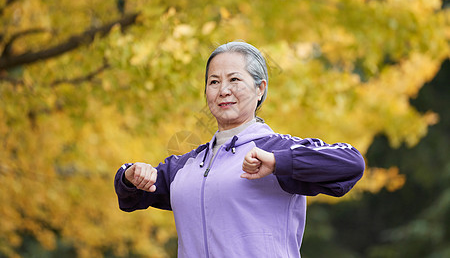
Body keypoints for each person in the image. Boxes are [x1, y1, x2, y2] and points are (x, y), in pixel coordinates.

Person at [114, 41, 365, 257]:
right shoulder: (186, 166)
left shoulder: (277, 149)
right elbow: (130, 195)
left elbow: (351, 163)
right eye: (214, 81)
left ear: (260, 89)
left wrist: (279, 163)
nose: (223, 90)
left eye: (234, 79)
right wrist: (130, 175)